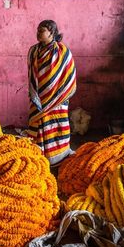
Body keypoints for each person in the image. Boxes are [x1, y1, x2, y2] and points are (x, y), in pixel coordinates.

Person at [27, 20, 76, 166]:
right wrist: (38, 95)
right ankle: (39, 155)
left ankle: (58, 156)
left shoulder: (62, 51)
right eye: (37, 30)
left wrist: (53, 96)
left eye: (41, 30)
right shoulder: (33, 50)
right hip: (38, 97)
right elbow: (32, 74)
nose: (38, 33)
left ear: (52, 32)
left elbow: (67, 76)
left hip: (57, 99)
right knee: (39, 126)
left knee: (56, 127)